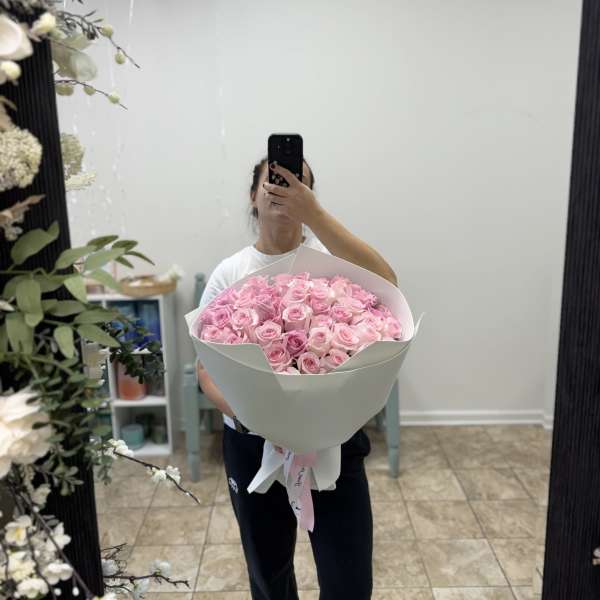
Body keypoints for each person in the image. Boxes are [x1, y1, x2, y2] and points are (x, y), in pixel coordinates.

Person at [196, 156, 398, 600]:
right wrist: (261, 416)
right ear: (253, 196)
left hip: (332, 439)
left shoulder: (332, 261)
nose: (282, 189)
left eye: (297, 183)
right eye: (272, 180)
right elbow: (206, 369)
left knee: (349, 582)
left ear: (309, 196)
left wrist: (316, 216)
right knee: (268, 579)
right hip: (251, 442)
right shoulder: (230, 272)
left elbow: (389, 284)